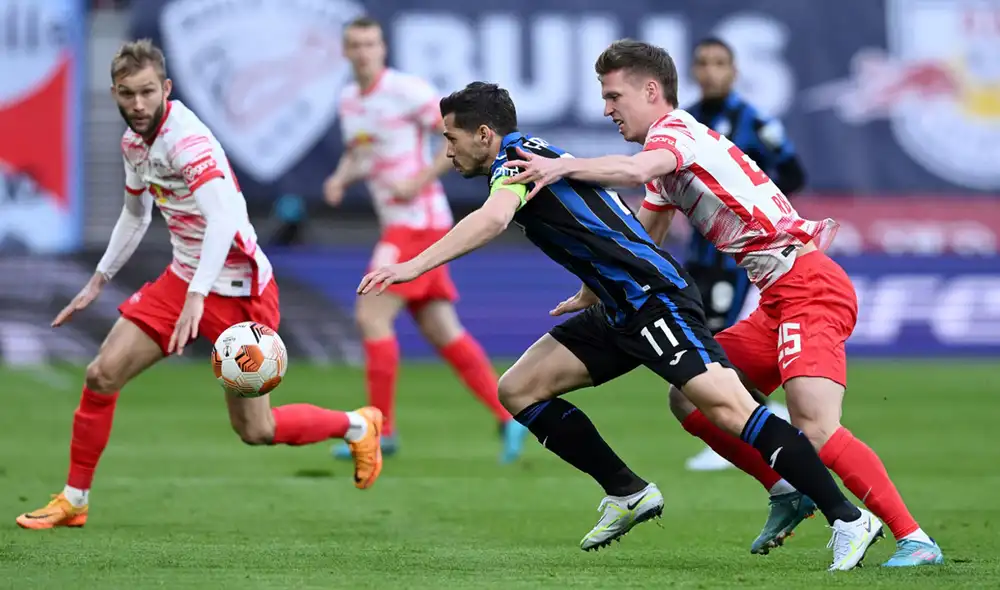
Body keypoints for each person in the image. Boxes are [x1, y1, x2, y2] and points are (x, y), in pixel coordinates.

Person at [358, 81, 881, 570]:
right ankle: (627, 491)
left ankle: (850, 518)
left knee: (729, 408)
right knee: (519, 389)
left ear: (484, 135)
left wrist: (410, 266)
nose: (447, 151)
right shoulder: (533, 154)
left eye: (451, 138)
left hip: (655, 301)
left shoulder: (516, 160)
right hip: (616, 305)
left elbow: (492, 220)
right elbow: (603, 220)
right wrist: (591, 285)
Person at [505, 39, 943, 567]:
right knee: (690, 398)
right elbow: (641, 239)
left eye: (613, 95)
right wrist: (594, 288)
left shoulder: (675, 134)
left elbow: (638, 171)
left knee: (816, 426)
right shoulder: (671, 164)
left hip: (810, 287)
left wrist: (563, 167)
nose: (606, 108)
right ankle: (788, 488)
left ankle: (914, 538)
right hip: (776, 299)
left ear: (651, 90)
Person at [16, 40, 384, 530]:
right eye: (128, 94)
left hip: (240, 292)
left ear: (165, 88)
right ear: (115, 94)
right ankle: (74, 500)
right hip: (185, 278)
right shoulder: (135, 143)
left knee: (256, 430)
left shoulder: (186, 141)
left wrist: (196, 296)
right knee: (101, 374)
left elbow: (224, 219)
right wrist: (98, 280)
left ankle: (358, 424)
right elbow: (134, 213)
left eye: (148, 92)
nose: (139, 104)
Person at [323, 17, 528, 463]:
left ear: (382, 48)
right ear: (345, 51)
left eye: (371, 43)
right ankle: (508, 417)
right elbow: (361, 152)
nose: (363, 51)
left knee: (370, 314)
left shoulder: (406, 91)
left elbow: (449, 138)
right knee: (442, 331)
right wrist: (340, 178)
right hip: (398, 221)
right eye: (355, 44)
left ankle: (381, 431)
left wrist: (420, 179)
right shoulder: (350, 102)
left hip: (417, 221)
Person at [681, 37, 806, 473]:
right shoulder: (686, 121)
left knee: (714, 341)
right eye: (703, 63)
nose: (711, 71)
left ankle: (748, 423)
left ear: (734, 71)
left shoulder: (754, 121)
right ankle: (755, 418)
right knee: (696, 340)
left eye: (719, 63)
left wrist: (754, 213)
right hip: (697, 250)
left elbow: (793, 172)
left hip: (733, 256)